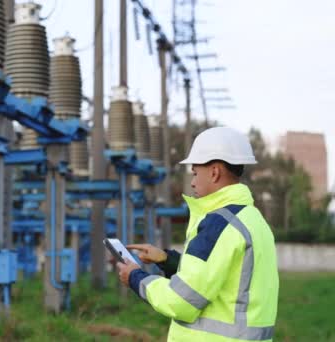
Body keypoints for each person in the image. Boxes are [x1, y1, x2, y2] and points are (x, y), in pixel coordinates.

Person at [116, 127, 279, 341]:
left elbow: (181, 301)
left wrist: (136, 277)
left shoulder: (218, 224)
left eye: (195, 173)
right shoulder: (253, 220)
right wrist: (167, 260)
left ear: (214, 172)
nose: (192, 182)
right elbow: (223, 276)